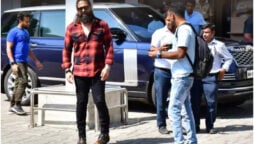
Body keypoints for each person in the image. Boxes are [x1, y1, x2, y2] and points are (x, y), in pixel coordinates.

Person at [61, 0, 114, 144]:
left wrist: (107, 66)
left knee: (100, 101)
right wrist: (67, 69)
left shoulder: (102, 25)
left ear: (90, 7)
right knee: (81, 103)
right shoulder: (71, 28)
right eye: (80, 8)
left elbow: (109, 46)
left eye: (85, 7)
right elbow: (66, 49)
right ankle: (82, 137)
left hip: (98, 71)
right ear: (77, 10)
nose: (83, 11)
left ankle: (104, 134)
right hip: (79, 72)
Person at [149, 2, 197, 144]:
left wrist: (159, 55)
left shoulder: (183, 29)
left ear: (172, 15)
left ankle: (179, 141)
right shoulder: (185, 28)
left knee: (173, 111)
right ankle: (192, 140)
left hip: (182, 76)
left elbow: (181, 53)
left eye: (169, 15)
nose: (168, 19)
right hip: (184, 75)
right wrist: (161, 51)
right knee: (186, 111)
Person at [190, 23, 233, 134]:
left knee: (211, 102)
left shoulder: (219, 45)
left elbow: (229, 58)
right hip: (197, 77)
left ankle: (210, 126)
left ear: (213, 33)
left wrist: (224, 69)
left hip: (211, 77)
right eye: (203, 32)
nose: (205, 35)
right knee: (194, 102)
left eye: (207, 32)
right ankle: (195, 125)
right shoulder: (197, 44)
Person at [6, 12, 43, 115]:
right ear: (20, 21)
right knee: (23, 81)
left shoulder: (26, 32)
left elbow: (28, 49)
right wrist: (13, 63)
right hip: (17, 61)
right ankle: (17, 105)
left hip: (24, 60)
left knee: (18, 83)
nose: (29, 23)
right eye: (26, 21)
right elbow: (8, 48)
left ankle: (12, 106)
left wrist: (36, 61)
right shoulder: (13, 32)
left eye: (29, 21)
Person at [150, 12, 175, 135]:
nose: (169, 22)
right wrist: (161, 49)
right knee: (161, 98)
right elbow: (151, 50)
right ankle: (161, 124)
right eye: (168, 20)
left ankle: (178, 124)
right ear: (165, 20)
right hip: (162, 69)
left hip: (177, 70)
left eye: (172, 20)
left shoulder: (180, 32)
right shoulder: (159, 33)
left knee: (178, 100)